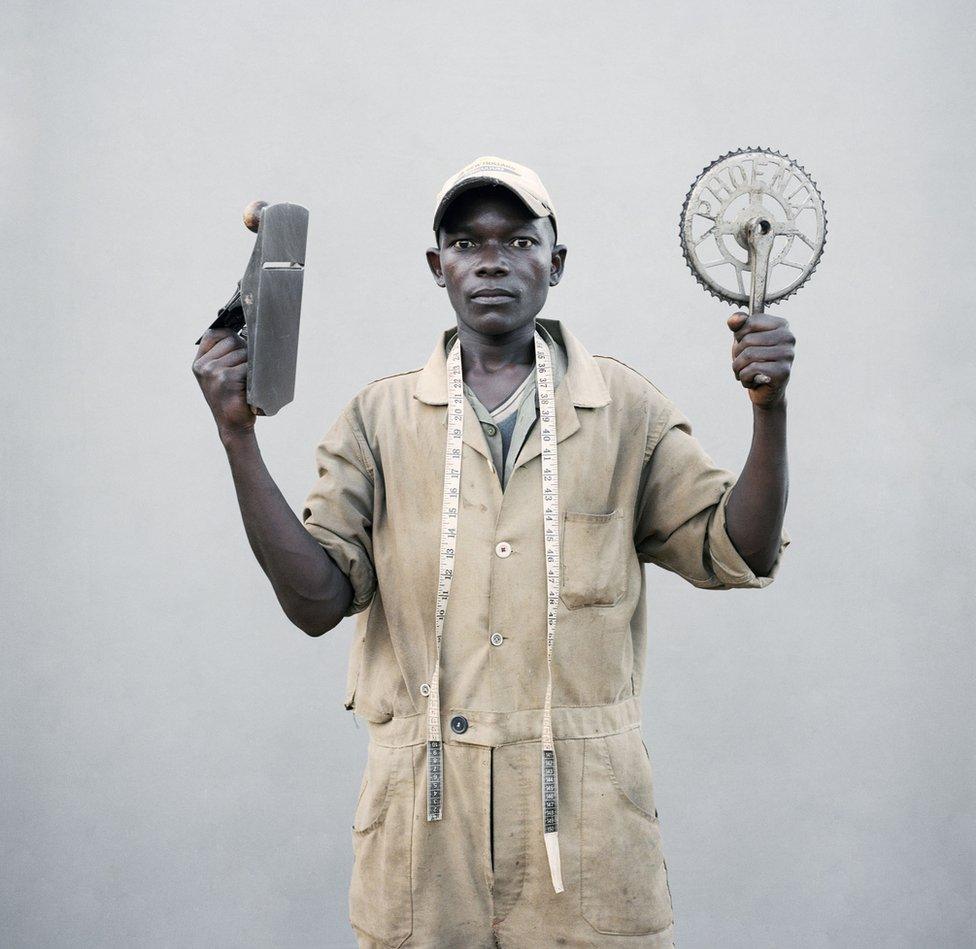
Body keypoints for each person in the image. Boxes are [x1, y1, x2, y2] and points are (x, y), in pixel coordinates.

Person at [192, 156, 793, 948]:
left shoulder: (625, 410)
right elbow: (316, 603)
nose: (492, 259)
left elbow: (739, 549)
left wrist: (769, 409)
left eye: (518, 239)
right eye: (467, 242)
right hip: (427, 826)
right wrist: (238, 439)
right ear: (436, 265)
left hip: (588, 821)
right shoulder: (378, 420)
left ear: (557, 261)